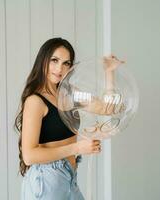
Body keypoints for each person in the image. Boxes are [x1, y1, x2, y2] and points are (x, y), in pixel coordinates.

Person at [14, 37, 123, 200]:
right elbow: (29, 156)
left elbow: (108, 108)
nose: (60, 68)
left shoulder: (69, 94)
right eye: (55, 60)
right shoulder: (35, 101)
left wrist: (109, 73)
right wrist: (77, 148)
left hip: (69, 178)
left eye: (66, 63)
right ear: (43, 60)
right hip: (47, 181)